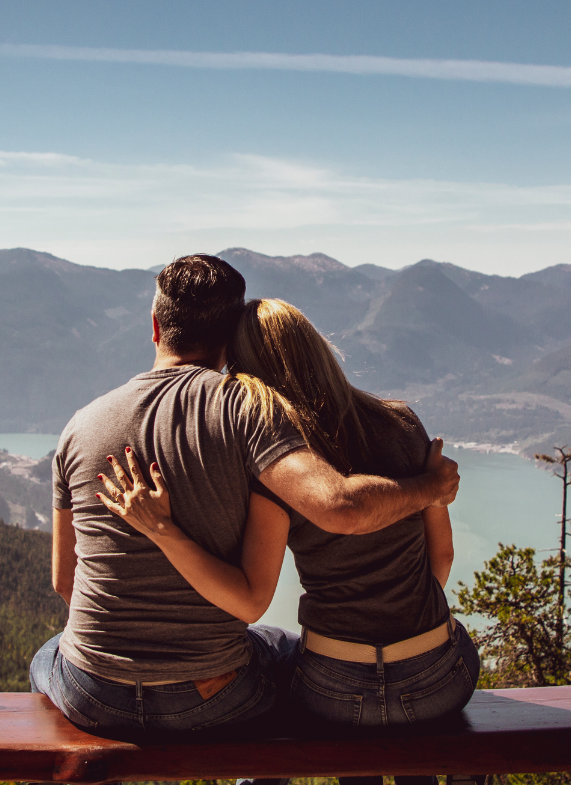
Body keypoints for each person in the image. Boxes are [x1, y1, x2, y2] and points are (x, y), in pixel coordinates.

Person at [31, 257, 460, 735]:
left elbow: (65, 583)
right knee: (278, 646)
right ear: (229, 336)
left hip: (93, 692)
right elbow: (339, 510)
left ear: (155, 326)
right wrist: (432, 487)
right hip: (213, 695)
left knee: (47, 655)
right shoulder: (250, 412)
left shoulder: (78, 427)